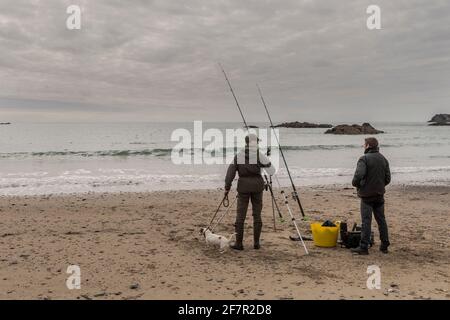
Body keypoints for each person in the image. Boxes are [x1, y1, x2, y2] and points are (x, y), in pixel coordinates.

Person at [224, 133, 275, 250]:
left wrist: (227, 187)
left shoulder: (239, 156)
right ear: (255, 143)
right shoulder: (260, 155)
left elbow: (230, 173)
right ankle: (256, 243)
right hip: (257, 187)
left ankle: (239, 244)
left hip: (243, 188)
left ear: (246, 142)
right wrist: (266, 161)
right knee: (257, 215)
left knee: (240, 216)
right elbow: (271, 170)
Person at [351, 137, 391, 255]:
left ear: (368, 145)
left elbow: (359, 175)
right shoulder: (383, 159)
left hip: (367, 196)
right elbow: (388, 179)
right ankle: (384, 245)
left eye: (364, 144)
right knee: (381, 220)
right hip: (379, 194)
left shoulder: (364, 159)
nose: (363, 146)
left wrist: (357, 184)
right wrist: (379, 185)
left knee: (366, 221)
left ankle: (364, 247)